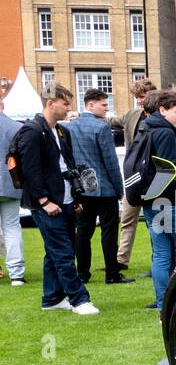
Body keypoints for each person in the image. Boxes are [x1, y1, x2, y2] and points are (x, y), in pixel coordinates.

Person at [14, 83, 97, 314]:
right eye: (65, 103)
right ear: (51, 103)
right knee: (63, 253)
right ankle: (79, 299)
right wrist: (43, 201)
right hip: (47, 203)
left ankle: (51, 299)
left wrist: (77, 196)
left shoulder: (62, 131)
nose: (69, 108)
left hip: (66, 198)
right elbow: (31, 171)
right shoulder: (31, 131)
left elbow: (68, 165)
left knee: (56, 251)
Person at [140, 90, 176, 311]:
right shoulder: (167, 133)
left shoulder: (145, 128)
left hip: (151, 199)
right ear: (163, 110)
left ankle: (163, 302)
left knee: (161, 254)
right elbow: (170, 170)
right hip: (171, 200)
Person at [62, 88, 129, 284]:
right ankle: (112, 273)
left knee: (83, 231)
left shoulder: (69, 127)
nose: (107, 109)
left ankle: (82, 273)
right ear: (90, 105)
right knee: (109, 232)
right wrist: (119, 189)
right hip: (105, 188)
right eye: (104, 104)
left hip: (82, 188)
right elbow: (110, 161)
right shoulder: (101, 128)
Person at [116, 78, 156, 273]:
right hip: (133, 176)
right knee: (127, 218)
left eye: (142, 96)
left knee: (153, 222)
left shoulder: (161, 117)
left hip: (152, 178)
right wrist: (84, 115)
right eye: (137, 97)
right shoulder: (132, 114)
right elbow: (111, 120)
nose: (140, 100)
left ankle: (157, 262)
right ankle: (121, 260)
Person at [0, 95, 26, 286]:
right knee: (12, 227)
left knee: (11, 227)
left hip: (10, 182)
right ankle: (16, 273)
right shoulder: (16, 127)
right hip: (11, 182)